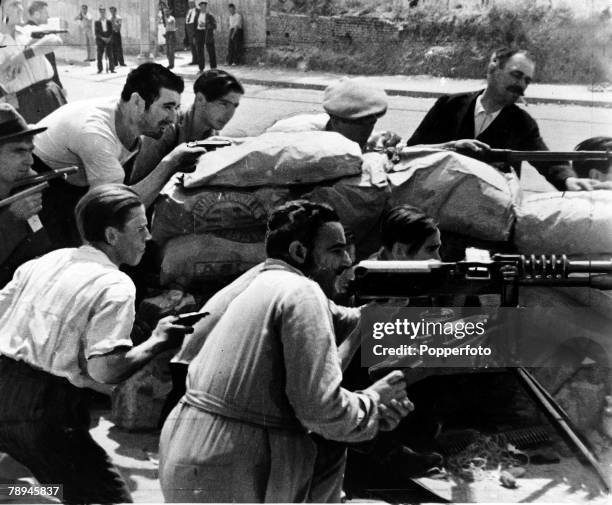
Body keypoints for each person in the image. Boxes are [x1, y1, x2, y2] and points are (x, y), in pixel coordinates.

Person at [159, 200, 413, 503]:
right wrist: (372, 402)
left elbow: (339, 318)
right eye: (335, 250)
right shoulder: (301, 291)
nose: (346, 260)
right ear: (299, 252)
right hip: (231, 460)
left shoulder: (266, 279)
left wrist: (372, 313)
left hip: (189, 444)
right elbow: (320, 409)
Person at [0, 184, 193, 503]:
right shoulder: (115, 285)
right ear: (112, 235)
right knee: (108, 498)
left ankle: (32, 495)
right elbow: (105, 370)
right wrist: (159, 340)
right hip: (44, 408)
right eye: (140, 228)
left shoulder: (46, 261)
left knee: (50, 487)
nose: (148, 238)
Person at [32, 62, 206, 248]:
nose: (173, 119)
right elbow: (113, 210)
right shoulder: (97, 135)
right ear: (138, 102)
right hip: (40, 180)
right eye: (167, 107)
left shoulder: (127, 115)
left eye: (176, 108)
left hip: (73, 177)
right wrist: (171, 163)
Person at [406, 47, 593, 191]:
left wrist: (569, 179)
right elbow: (412, 151)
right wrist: (451, 146)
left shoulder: (522, 123)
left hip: (488, 217)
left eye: (527, 80)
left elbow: (545, 159)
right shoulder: (448, 105)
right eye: (516, 75)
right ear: (493, 68)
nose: (521, 85)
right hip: (437, 201)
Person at [131, 68, 243, 182]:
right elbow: (137, 186)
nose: (230, 114)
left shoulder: (212, 132)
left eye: (234, 106)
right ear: (200, 99)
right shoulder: (165, 129)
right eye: (224, 104)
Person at [0, 104, 51, 288]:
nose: (30, 161)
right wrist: (11, 219)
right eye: (19, 151)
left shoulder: (27, 186)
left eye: (30, 151)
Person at [267, 77, 393, 151]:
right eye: (359, 122)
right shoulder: (297, 136)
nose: (367, 130)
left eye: (372, 121)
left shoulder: (357, 135)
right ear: (335, 119)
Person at [0, 0, 66, 123]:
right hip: (25, 103)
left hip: (50, 93)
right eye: (14, 4)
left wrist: (23, 56)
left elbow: (56, 40)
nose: (20, 8)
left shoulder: (28, 31)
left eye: (20, 4)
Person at [26, 0, 65, 95]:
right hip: (41, 90)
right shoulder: (36, 33)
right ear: (36, 14)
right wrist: (59, 86)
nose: (48, 16)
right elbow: (50, 63)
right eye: (45, 13)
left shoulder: (26, 30)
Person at [194, 0, 217, 71]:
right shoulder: (197, 15)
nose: (203, 8)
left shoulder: (210, 15)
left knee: (211, 50)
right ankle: (201, 68)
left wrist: (206, 25)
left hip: (207, 33)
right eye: (201, 7)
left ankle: (213, 67)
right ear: (200, 7)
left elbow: (214, 25)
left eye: (204, 7)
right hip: (199, 33)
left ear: (206, 7)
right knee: (200, 51)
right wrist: (194, 36)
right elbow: (194, 26)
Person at [94, 6, 114, 74]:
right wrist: (103, 38)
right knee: (99, 55)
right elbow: (96, 33)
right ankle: (100, 69)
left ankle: (112, 69)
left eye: (104, 12)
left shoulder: (109, 21)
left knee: (110, 55)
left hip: (108, 38)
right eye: (101, 12)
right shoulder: (97, 22)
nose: (103, 13)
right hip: (100, 39)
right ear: (100, 12)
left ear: (105, 12)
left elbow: (111, 31)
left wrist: (109, 38)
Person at [184, 0, 198, 64]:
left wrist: (195, 33)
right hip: (188, 29)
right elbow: (186, 21)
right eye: (189, 3)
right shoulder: (188, 11)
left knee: (196, 45)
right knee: (192, 46)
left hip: (194, 29)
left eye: (192, 3)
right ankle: (194, 60)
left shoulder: (197, 11)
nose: (190, 4)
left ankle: (199, 60)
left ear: (194, 3)